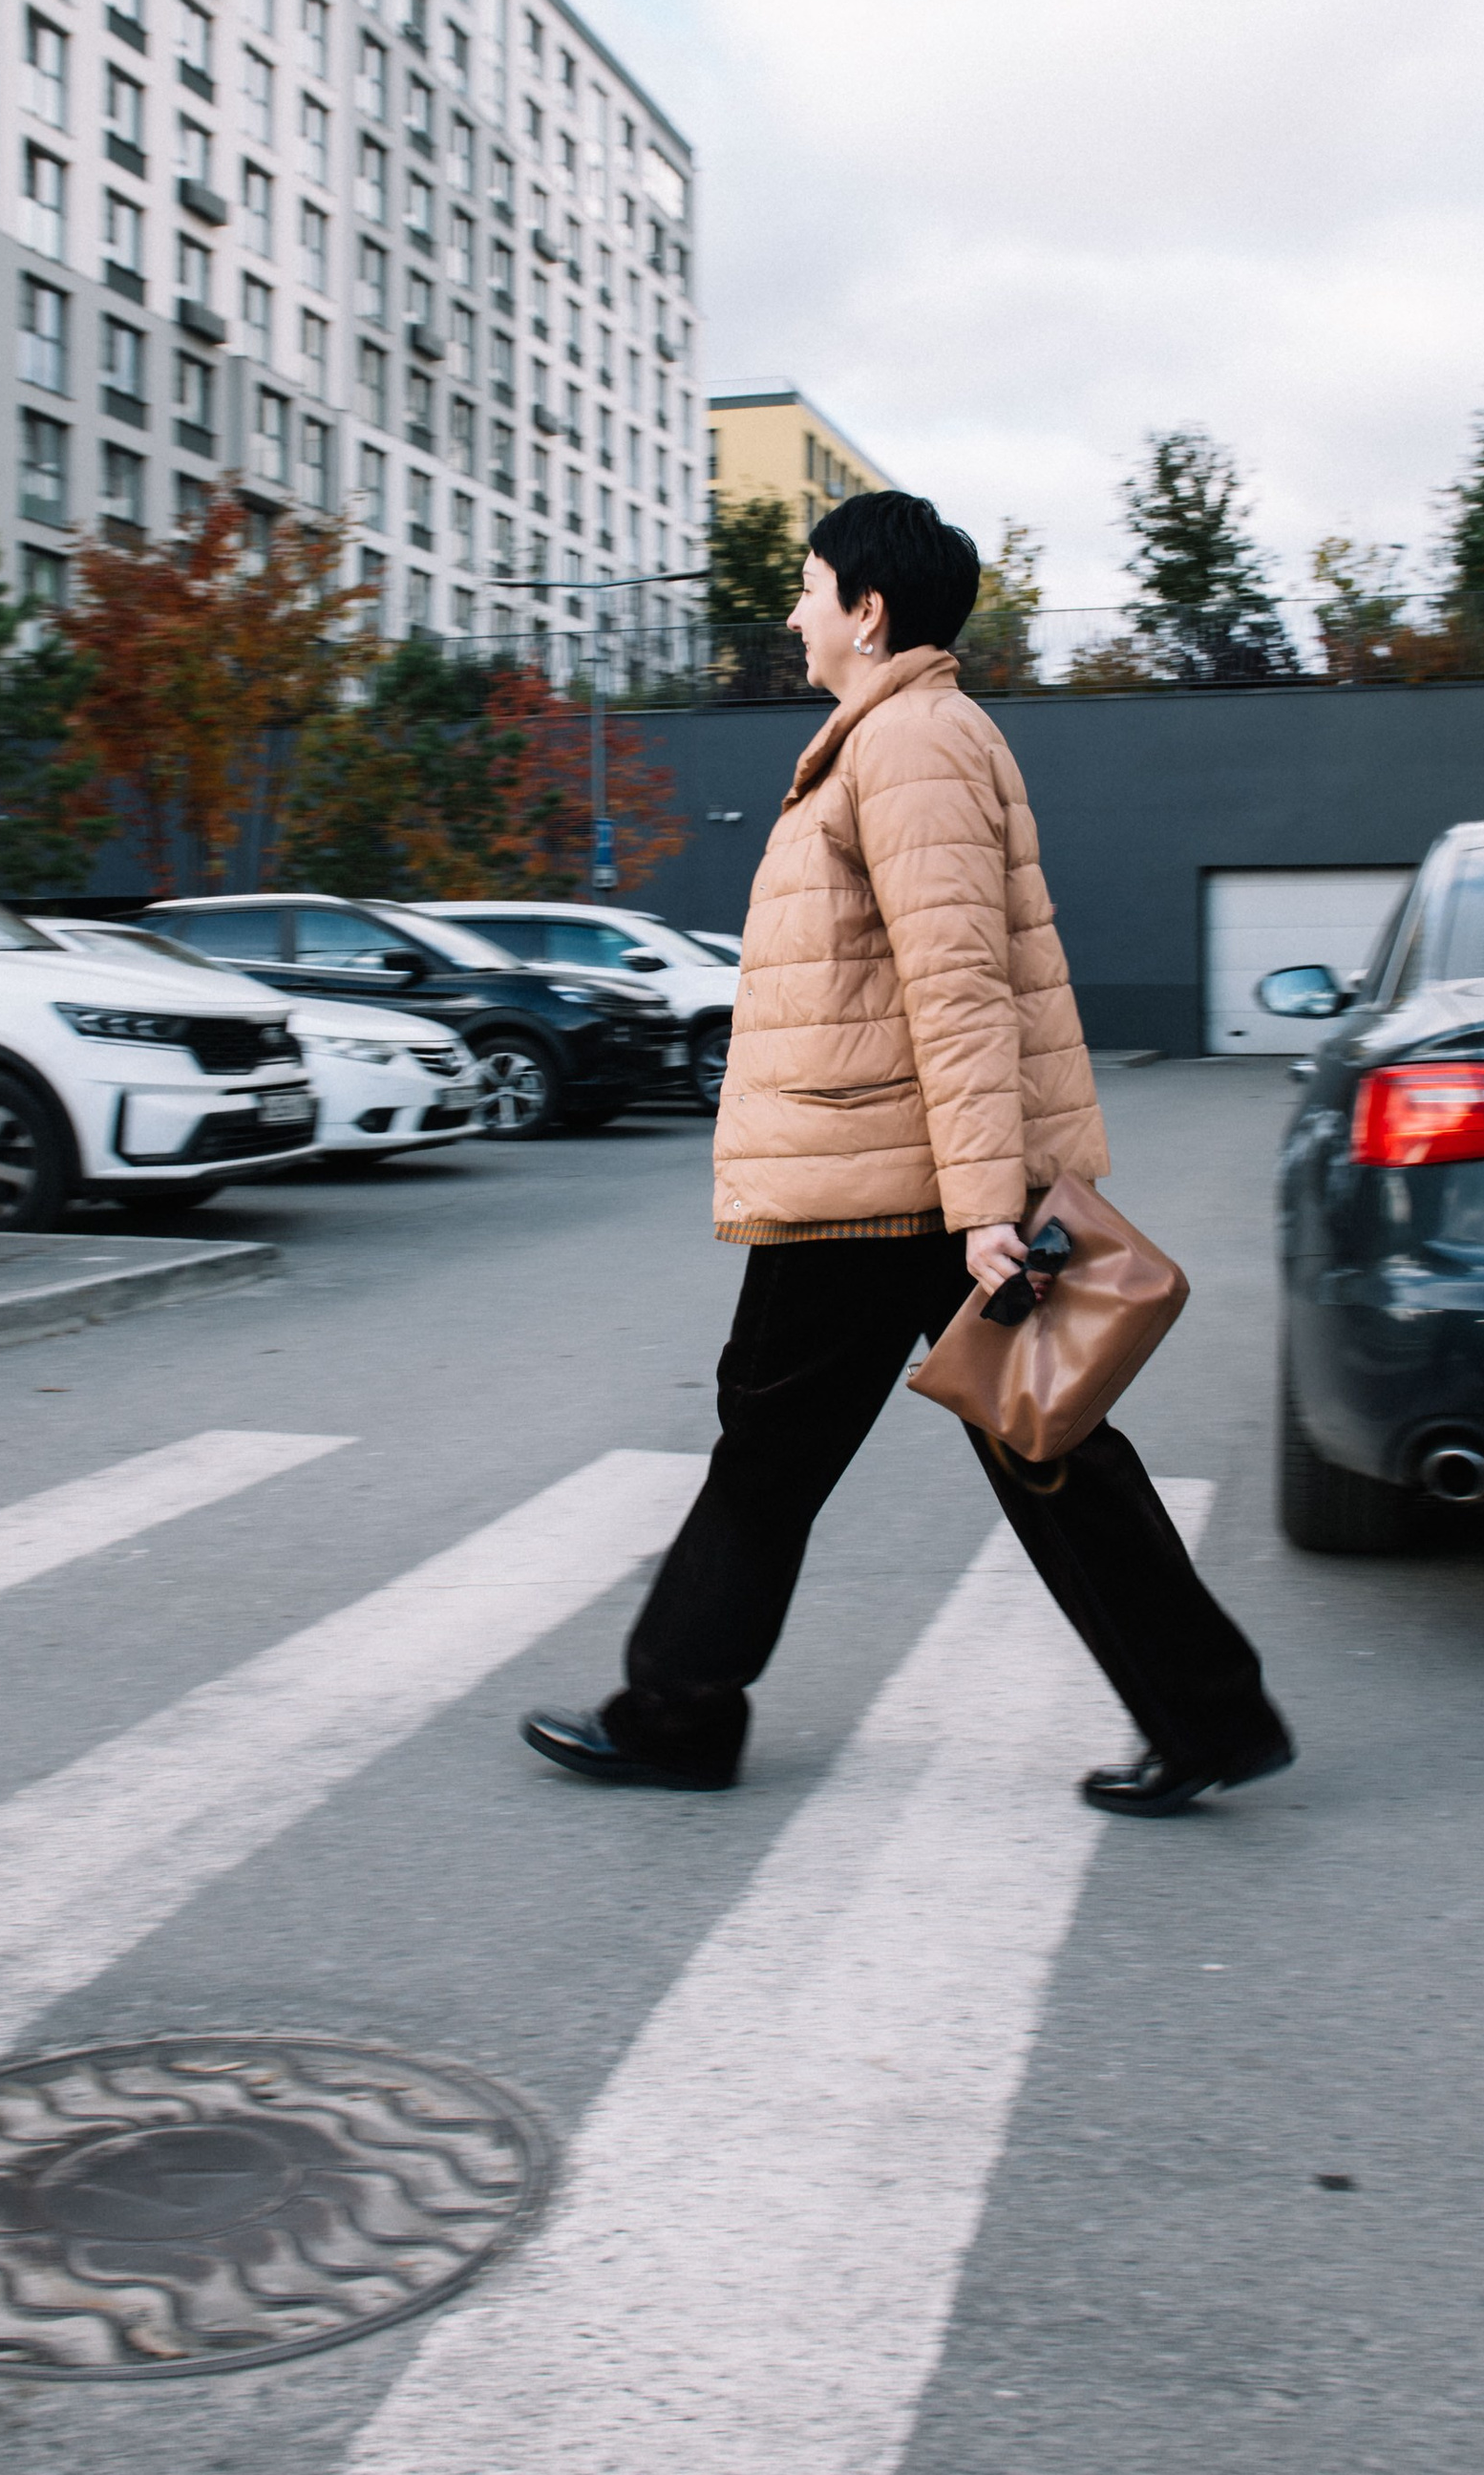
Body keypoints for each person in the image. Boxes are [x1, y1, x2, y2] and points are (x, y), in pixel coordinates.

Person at [521, 490, 1293, 1813]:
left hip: (890, 1187)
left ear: (868, 611)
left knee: (789, 1449)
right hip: (914, 1176)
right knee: (1042, 1441)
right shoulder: (907, 733)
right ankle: (1211, 1718)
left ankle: (679, 1714)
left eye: (811, 587)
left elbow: (957, 985)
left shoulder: (911, 743)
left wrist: (987, 1210)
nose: (793, 611)